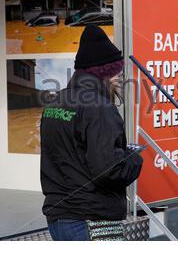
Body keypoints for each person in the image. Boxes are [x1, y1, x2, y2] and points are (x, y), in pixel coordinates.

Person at [40, 25, 143, 241]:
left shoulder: (55, 102)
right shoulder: (99, 107)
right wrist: (133, 158)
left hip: (59, 219)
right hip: (91, 221)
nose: (120, 76)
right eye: (115, 70)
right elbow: (109, 170)